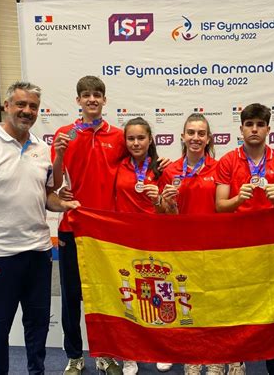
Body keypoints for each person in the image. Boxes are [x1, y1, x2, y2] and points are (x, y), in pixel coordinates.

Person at [0, 81, 79, 375]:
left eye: (33, 106)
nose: (27, 111)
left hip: (38, 253)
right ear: (6, 106)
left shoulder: (42, 148)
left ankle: (37, 372)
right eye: (21, 105)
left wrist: (61, 205)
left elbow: (47, 196)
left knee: (37, 326)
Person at [51, 76, 126, 375]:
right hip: (73, 226)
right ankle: (74, 356)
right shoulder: (64, 134)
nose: (92, 99)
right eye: (86, 95)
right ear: (78, 100)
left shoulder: (119, 136)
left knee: (107, 296)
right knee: (71, 297)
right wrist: (58, 154)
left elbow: (132, 175)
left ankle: (106, 355)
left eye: (97, 95)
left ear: (105, 100)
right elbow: (55, 184)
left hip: (107, 230)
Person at [215, 103, 274, 375]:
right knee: (239, 305)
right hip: (237, 246)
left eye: (260, 124)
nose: (254, 129)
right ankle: (238, 360)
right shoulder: (228, 160)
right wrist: (238, 199)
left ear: (268, 129)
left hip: (273, 246)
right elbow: (219, 205)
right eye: (249, 124)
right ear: (241, 129)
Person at [159, 113, 223, 375]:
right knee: (184, 302)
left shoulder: (220, 168)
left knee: (213, 303)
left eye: (201, 133)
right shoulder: (170, 170)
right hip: (180, 246)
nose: (196, 138)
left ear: (208, 139)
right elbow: (165, 213)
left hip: (213, 246)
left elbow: (224, 208)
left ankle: (216, 357)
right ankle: (191, 355)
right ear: (182, 137)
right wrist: (167, 202)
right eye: (191, 132)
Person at [113, 117, 164, 375]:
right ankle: (129, 355)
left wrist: (158, 201)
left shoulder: (162, 169)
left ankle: (161, 349)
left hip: (155, 239)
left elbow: (168, 210)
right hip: (124, 241)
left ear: (150, 139)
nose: (135, 143)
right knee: (129, 298)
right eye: (131, 138)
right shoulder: (117, 166)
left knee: (159, 295)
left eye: (140, 138)